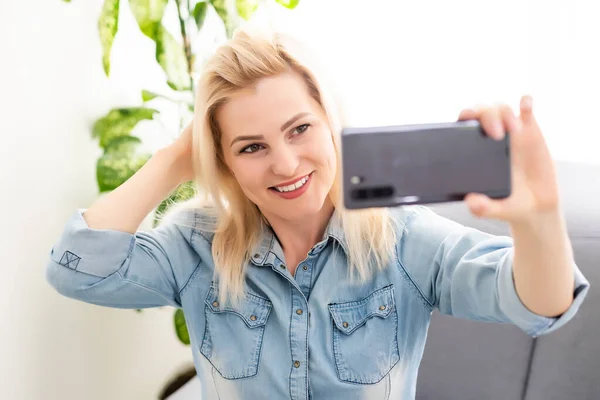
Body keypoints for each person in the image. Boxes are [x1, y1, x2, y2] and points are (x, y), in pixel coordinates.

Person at [46, 28, 590, 400]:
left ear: (330, 122)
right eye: (250, 147)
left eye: (299, 129)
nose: (285, 164)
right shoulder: (195, 246)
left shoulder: (403, 239)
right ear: (225, 163)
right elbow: (75, 267)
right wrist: (171, 161)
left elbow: (541, 306)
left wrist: (538, 216)